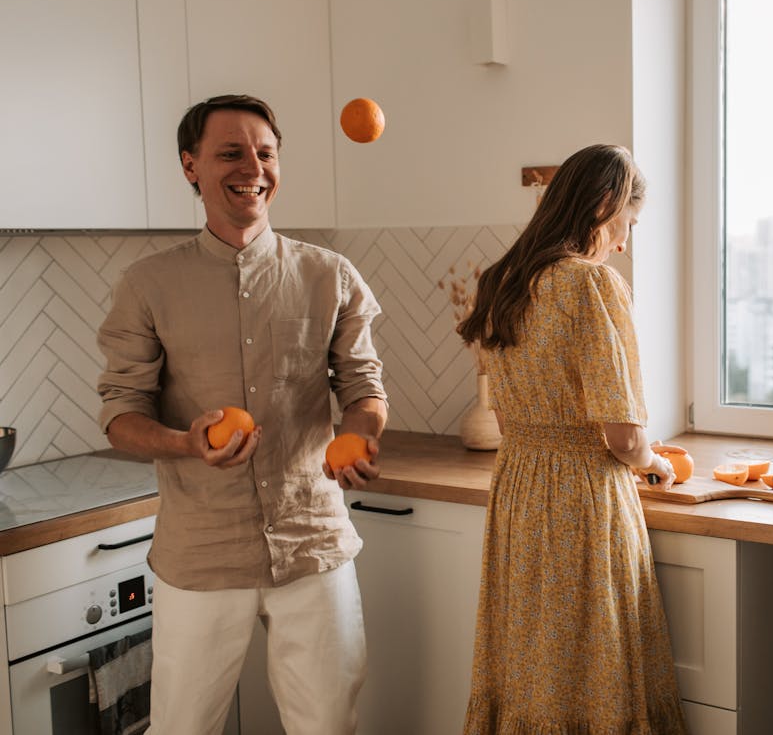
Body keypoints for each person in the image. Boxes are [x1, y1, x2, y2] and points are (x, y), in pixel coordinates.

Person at [96, 94, 388, 735]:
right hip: (201, 551)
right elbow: (120, 414)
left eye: (265, 153)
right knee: (182, 726)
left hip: (313, 541)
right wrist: (184, 442)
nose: (251, 166)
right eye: (229, 152)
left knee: (329, 725)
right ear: (190, 166)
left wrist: (360, 434)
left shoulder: (329, 275)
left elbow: (364, 385)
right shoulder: (148, 285)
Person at [457, 143, 688, 734]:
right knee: (591, 668)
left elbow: (508, 421)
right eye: (628, 225)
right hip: (583, 500)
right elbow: (622, 434)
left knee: (533, 665)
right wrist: (653, 461)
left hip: (518, 491)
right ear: (606, 205)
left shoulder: (502, 281)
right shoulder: (591, 285)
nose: (624, 242)